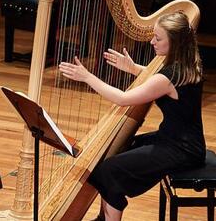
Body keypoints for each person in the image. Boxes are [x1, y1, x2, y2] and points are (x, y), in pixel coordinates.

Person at [58, 12, 205, 221]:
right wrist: (133, 68)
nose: (152, 41)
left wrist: (87, 77)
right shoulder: (188, 65)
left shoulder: (169, 75)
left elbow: (123, 98)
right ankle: (104, 216)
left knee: (110, 169)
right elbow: (157, 80)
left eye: (158, 38)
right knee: (118, 151)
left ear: (175, 42)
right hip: (181, 141)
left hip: (181, 149)